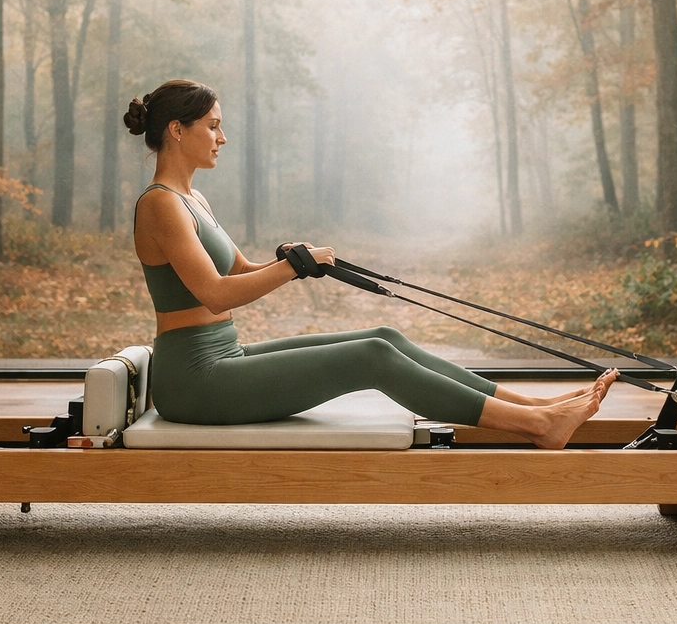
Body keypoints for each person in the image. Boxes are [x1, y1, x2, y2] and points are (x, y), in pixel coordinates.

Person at [126, 79, 616, 450]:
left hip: (223, 356)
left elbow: (239, 272)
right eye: (212, 126)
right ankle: (537, 426)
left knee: (384, 337)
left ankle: (536, 404)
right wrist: (293, 269)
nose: (222, 138)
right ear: (177, 130)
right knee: (370, 361)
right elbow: (215, 293)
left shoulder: (194, 198)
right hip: (194, 380)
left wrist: (285, 259)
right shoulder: (160, 203)